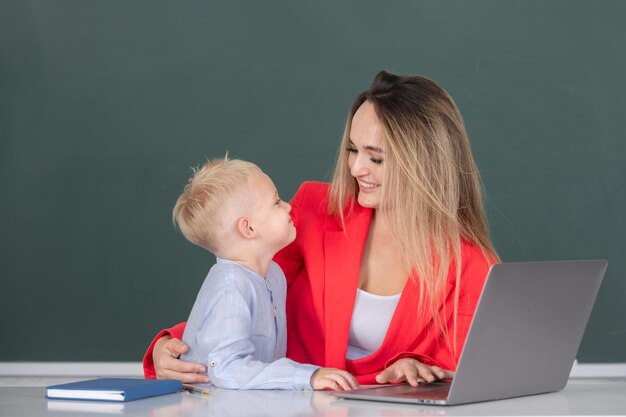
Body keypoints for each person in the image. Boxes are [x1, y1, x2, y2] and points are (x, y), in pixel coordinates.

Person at [144, 70, 499, 387]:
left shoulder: (470, 265)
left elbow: (459, 370)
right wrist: (173, 346)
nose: (357, 167)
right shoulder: (313, 209)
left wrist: (417, 367)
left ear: (426, 163)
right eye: (352, 149)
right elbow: (245, 289)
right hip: (284, 400)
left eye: (376, 157)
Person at [169, 157, 358, 391]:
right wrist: (306, 376)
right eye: (277, 202)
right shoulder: (232, 286)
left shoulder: (273, 274)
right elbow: (227, 369)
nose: (288, 207)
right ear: (249, 228)